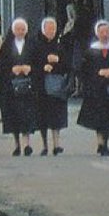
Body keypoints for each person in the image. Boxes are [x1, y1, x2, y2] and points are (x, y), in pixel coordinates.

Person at [76, 19, 109, 157]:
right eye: (102, 32)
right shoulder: (90, 51)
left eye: (107, 31)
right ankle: (100, 142)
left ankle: (104, 143)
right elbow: (82, 71)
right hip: (96, 89)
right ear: (97, 33)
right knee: (99, 118)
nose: (104, 34)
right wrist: (97, 74)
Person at [0, 17, 40, 156]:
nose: (20, 32)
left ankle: (27, 144)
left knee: (26, 115)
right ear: (13, 31)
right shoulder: (7, 45)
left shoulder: (32, 44)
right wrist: (11, 69)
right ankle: (17, 145)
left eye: (23, 29)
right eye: (18, 29)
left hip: (28, 87)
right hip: (11, 87)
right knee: (14, 116)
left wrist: (30, 68)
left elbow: (38, 64)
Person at [34, 15, 70, 155]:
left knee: (57, 117)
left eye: (53, 28)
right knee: (42, 117)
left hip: (57, 87)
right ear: (43, 29)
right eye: (48, 28)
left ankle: (57, 144)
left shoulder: (60, 45)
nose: (51, 31)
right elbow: (32, 63)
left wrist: (58, 60)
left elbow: (68, 65)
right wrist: (43, 65)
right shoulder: (36, 44)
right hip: (41, 86)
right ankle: (44, 145)